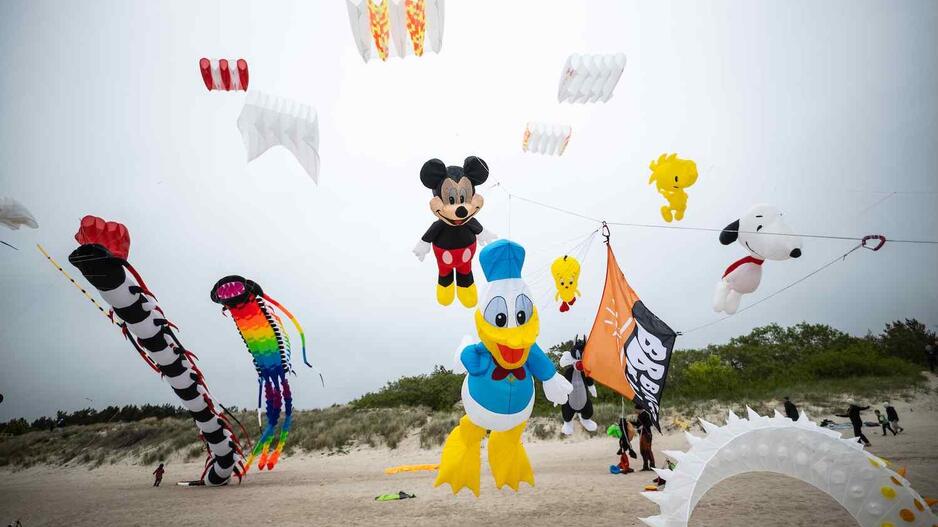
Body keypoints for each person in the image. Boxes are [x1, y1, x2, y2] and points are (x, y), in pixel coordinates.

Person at [631, 405, 656, 471]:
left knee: (647, 450)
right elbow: (637, 423)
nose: (635, 411)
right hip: (641, 435)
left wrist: (642, 426)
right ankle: (645, 466)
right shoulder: (639, 415)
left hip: (647, 434)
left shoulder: (646, 414)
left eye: (636, 409)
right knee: (642, 451)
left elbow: (650, 423)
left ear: (639, 409)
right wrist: (629, 421)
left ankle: (652, 465)